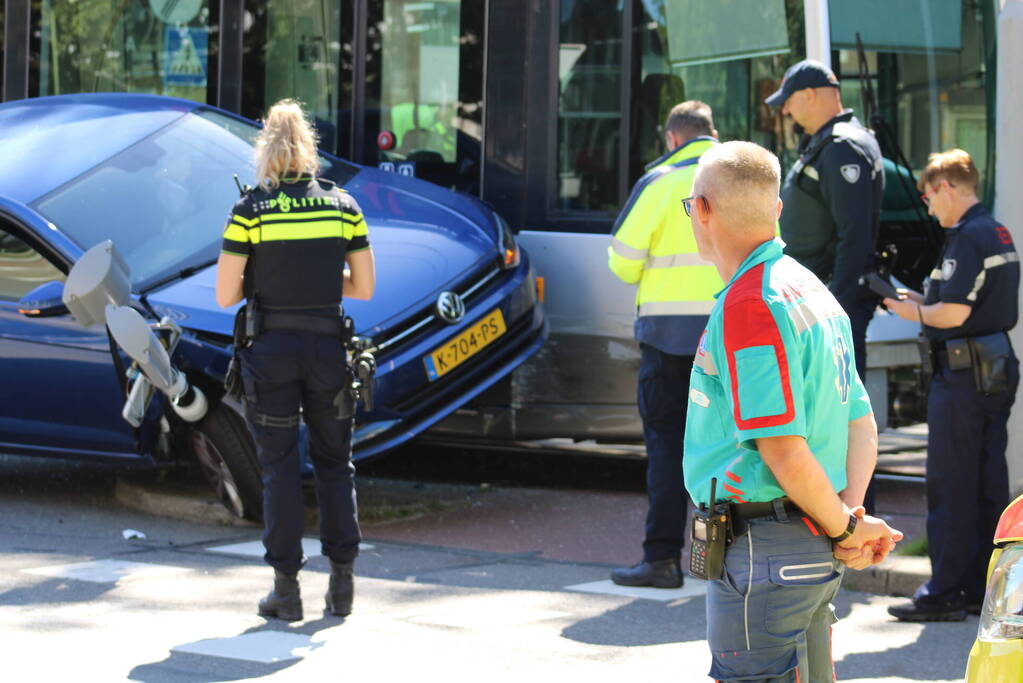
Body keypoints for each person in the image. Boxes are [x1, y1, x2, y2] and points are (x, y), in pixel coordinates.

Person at [683, 141, 901, 681]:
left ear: (704, 210)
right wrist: (846, 517)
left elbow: (781, 447)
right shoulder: (811, 291)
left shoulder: (751, 303)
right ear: (776, 210)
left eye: (689, 207)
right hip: (809, 540)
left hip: (765, 545)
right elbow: (860, 423)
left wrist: (846, 529)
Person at [215, 99, 376, 621]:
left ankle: (286, 591)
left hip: (272, 353)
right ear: (310, 147)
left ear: (265, 149)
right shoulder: (343, 206)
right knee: (335, 463)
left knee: (279, 467)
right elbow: (365, 288)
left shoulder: (249, 211)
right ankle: (343, 585)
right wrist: (324, 280)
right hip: (329, 348)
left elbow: (225, 294)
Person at [882, 149, 1019, 622]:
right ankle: (983, 587)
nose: (928, 204)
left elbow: (953, 314)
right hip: (991, 368)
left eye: (928, 194)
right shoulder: (994, 230)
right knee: (984, 483)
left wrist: (910, 311)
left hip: (963, 375)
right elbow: (963, 304)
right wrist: (920, 300)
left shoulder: (968, 235)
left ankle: (945, 591)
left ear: (947, 187)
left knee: (950, 483)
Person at [607, 101, 722, 588]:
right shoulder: (743, 177)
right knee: (729, 453)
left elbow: (622, 261)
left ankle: (662, 561)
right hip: (729, 339)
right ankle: (721, 563)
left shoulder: (659, 182)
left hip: (668, 342)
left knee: (667, 450)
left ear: (672, 137)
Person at [765, 59, 885, 512]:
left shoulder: (842, 148)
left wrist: (836, 306)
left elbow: (854, 237)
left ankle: (851, 517)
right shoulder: (827, 144)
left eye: (790, 102)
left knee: (841, 415)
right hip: (821, 304)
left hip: (831, 307)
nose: (788, 113)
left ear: (811, 95)